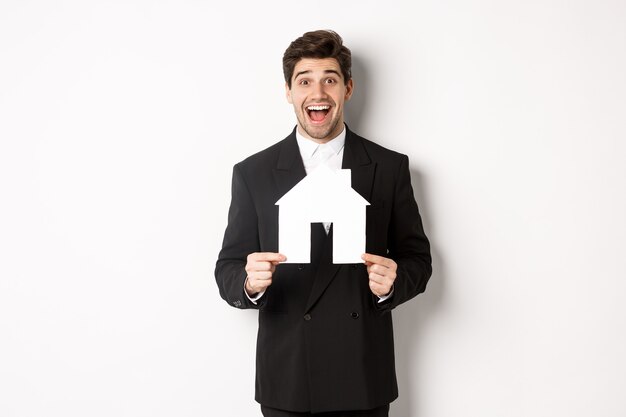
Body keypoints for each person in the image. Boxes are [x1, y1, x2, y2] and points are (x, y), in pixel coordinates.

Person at [215, 30, 432, 417]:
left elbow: (418, 259)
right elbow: (227, 268)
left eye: (329, 79)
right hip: (288, 378)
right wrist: (248, 283)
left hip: (362, 376)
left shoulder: (389, 167)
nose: (318, 92)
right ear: (288, 91)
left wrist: (394, 282)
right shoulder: (253, 173)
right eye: (305, 81)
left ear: (348, 89)